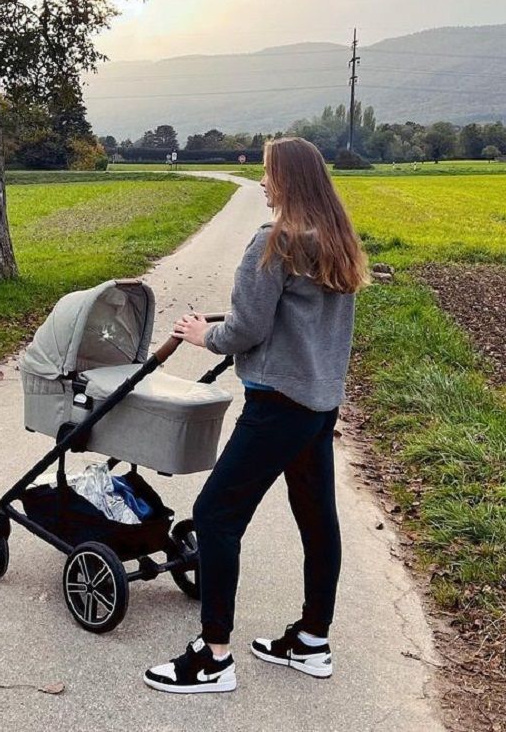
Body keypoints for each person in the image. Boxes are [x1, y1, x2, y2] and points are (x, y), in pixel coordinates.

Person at [143, 137, 370, 694]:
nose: (262, 182)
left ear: (288, 181)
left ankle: (213, 657)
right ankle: (312, 641)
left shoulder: (272, 242)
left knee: (216, 513)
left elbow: (246, 329)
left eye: (267, 173)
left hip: (277, 404)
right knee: (317, 519)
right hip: (319, 404)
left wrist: (204, 335)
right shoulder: (336, 240)